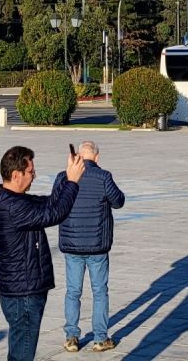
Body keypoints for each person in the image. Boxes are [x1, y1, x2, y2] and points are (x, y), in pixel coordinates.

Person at [0, 145, 86, 361]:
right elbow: (54, 214)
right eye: (31, 172)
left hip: (21, 289)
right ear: (15, 174)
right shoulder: (13, 207)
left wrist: (67, 176)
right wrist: (73, 182)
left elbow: (50, 203)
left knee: (19, 350)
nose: (34, 176)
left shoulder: (13, 199)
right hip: (24, 292)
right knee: (22, 354)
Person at [52, 141, 125, 353]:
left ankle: (71, 337)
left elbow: (54, 203)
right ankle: (101, 339)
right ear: (97, 157)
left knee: (73, 291)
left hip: (72, 244)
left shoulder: (63, 177)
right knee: (100, 291)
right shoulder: (104, 177)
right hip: (97, 246)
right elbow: (118, 201)